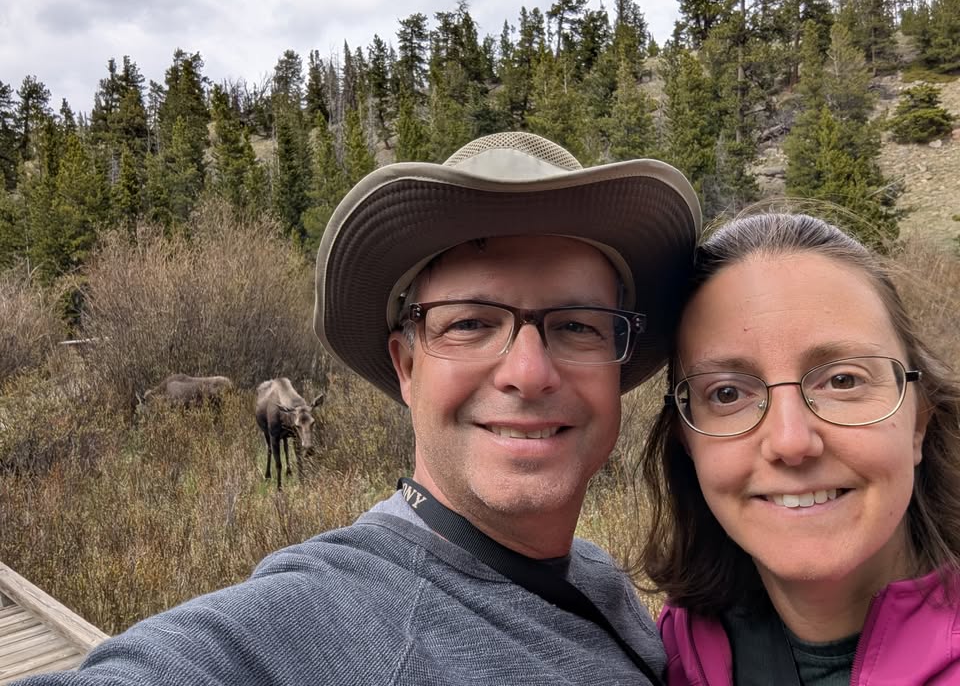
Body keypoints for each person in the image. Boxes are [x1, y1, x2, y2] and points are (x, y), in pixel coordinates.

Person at [14, 132, 701, 685]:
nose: (527, 373)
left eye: (578, 325)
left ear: (617, 363)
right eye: (469, 323)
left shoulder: (603, 579)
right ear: (407, 367)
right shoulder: (321, 618)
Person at [639, 211, 960, 685]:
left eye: (843, 381)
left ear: (919, 421)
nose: (791, 441)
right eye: (727, 393)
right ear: (687, 441)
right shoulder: (675, 651)